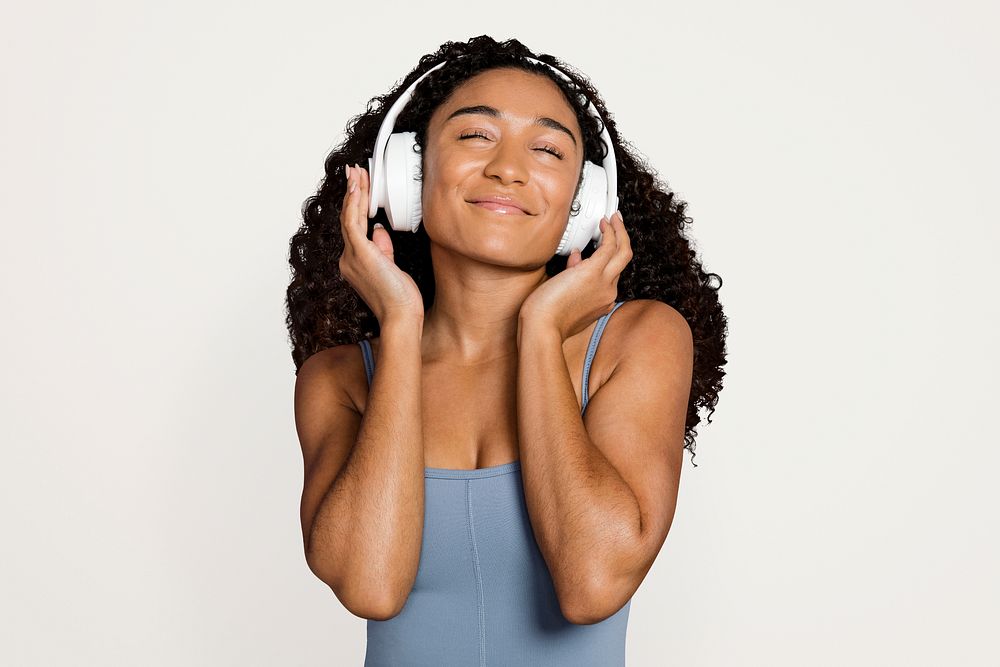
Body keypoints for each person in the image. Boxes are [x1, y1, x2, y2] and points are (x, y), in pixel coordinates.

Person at [286, 35, 728, 666]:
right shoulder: (340, 378)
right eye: (474, 137)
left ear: (584, 204)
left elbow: (593, 583)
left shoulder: (639, 340)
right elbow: (371, 586)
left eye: (546, 148)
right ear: (408, 176)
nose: (508, 169)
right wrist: (402, 325)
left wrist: (542, 330)